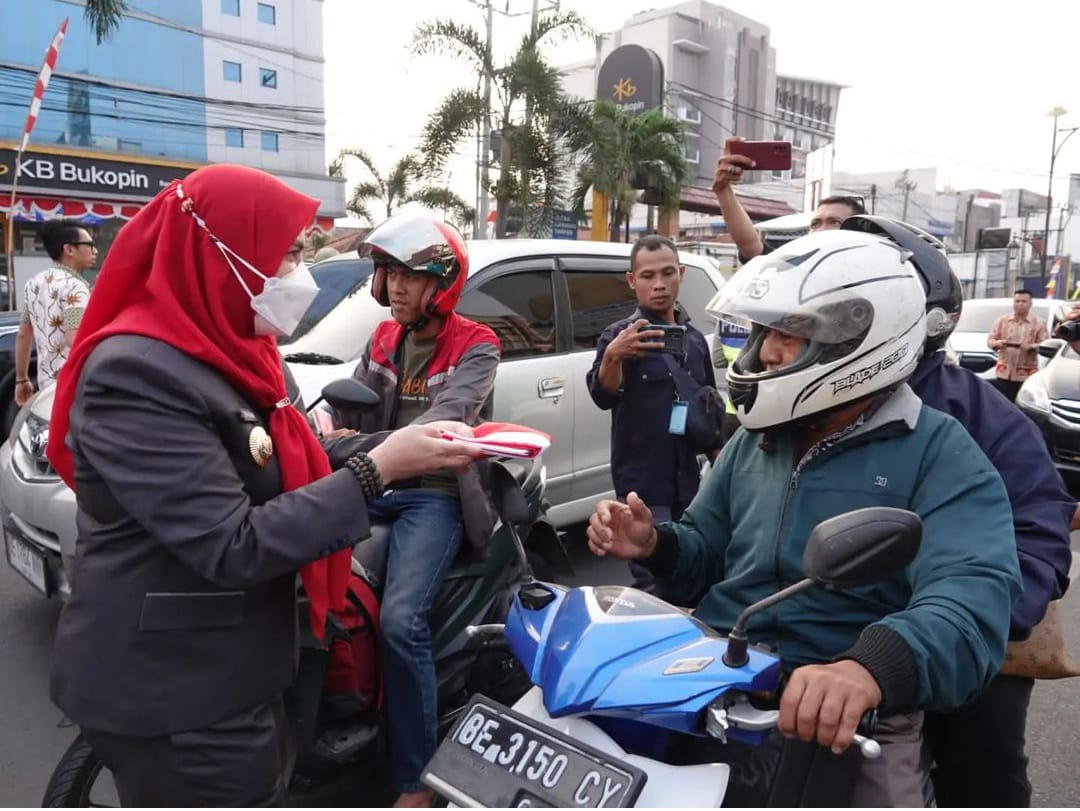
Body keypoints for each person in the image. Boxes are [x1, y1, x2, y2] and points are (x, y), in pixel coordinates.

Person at [43, 165, 484, 808]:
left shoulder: (231, 350)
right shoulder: (138, 372)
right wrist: (378, 469)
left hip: (230, 672)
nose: (296, 276)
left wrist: (382, 452)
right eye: (285, 257)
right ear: (221, 255)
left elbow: (293, 450)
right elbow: (231, 544)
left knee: (397, 616)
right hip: (177, 692)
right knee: (400, 622)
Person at [587, 228, 1022, 806]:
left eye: (790, 335)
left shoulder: (940, 454)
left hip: (852, 717)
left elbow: (971, 599)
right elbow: (704, 550)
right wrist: (654, 545)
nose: (766, 353)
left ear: (860, 342)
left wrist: (867, 670)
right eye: (765, 331)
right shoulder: (754, 443)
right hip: (718, 680)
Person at [838, 216, 1074, 807]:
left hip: (967, 658)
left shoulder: (986, 419)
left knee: (983, 779)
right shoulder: (801, 407)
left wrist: (960, 625)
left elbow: (1038, 538)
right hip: (841, 651)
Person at [327, 213, 501, 808]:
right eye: (387, 272)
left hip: (434, 492)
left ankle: (417, 779)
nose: (395, 285)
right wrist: (320, 432)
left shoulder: (477, 344)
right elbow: (348, 407)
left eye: (409, 274)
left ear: (441, 283)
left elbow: (445, 423)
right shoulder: (381, 340)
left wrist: (345, 447)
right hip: (375, 480)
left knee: (401, 623)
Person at [586, 235, 722, 592]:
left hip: (690, 486)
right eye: (647, 276)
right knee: (652, 582)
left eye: (667, 273)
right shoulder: (618, 337)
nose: (659, 285)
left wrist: (725, 472)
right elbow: (602, 395)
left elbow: (708, 411)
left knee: (695, 573)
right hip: (643, 486)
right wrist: (614, 356)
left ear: (682, 273)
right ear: (632, 281)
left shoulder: (694, 341)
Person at [711, 135, 867, 262]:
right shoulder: (795, 271)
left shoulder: (876, 276)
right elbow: (751, 248)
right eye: (815, 223)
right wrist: (723, 190)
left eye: (834, 222)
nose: (821, 229)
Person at [13, 218, 95, 406]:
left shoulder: (33, 283)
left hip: (46, 388)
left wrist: (21, 379)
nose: (94, 250)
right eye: (89, 245)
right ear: (69, 249)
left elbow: (23, 335)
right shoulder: (75, 287)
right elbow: (74, 339)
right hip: (72, 387)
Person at [987, 289, 1047, 402]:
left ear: (1030, 303)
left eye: (1024, 301)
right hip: (1004, 373)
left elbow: (1045, 346)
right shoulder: (1002, 321)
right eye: (1017, 301)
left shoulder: (1039, 323)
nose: (1020, 304)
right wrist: (998, 343)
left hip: (1026, 374)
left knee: (1022, 405)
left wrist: (1031, 347)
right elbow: (990, 340)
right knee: (1002, 403)